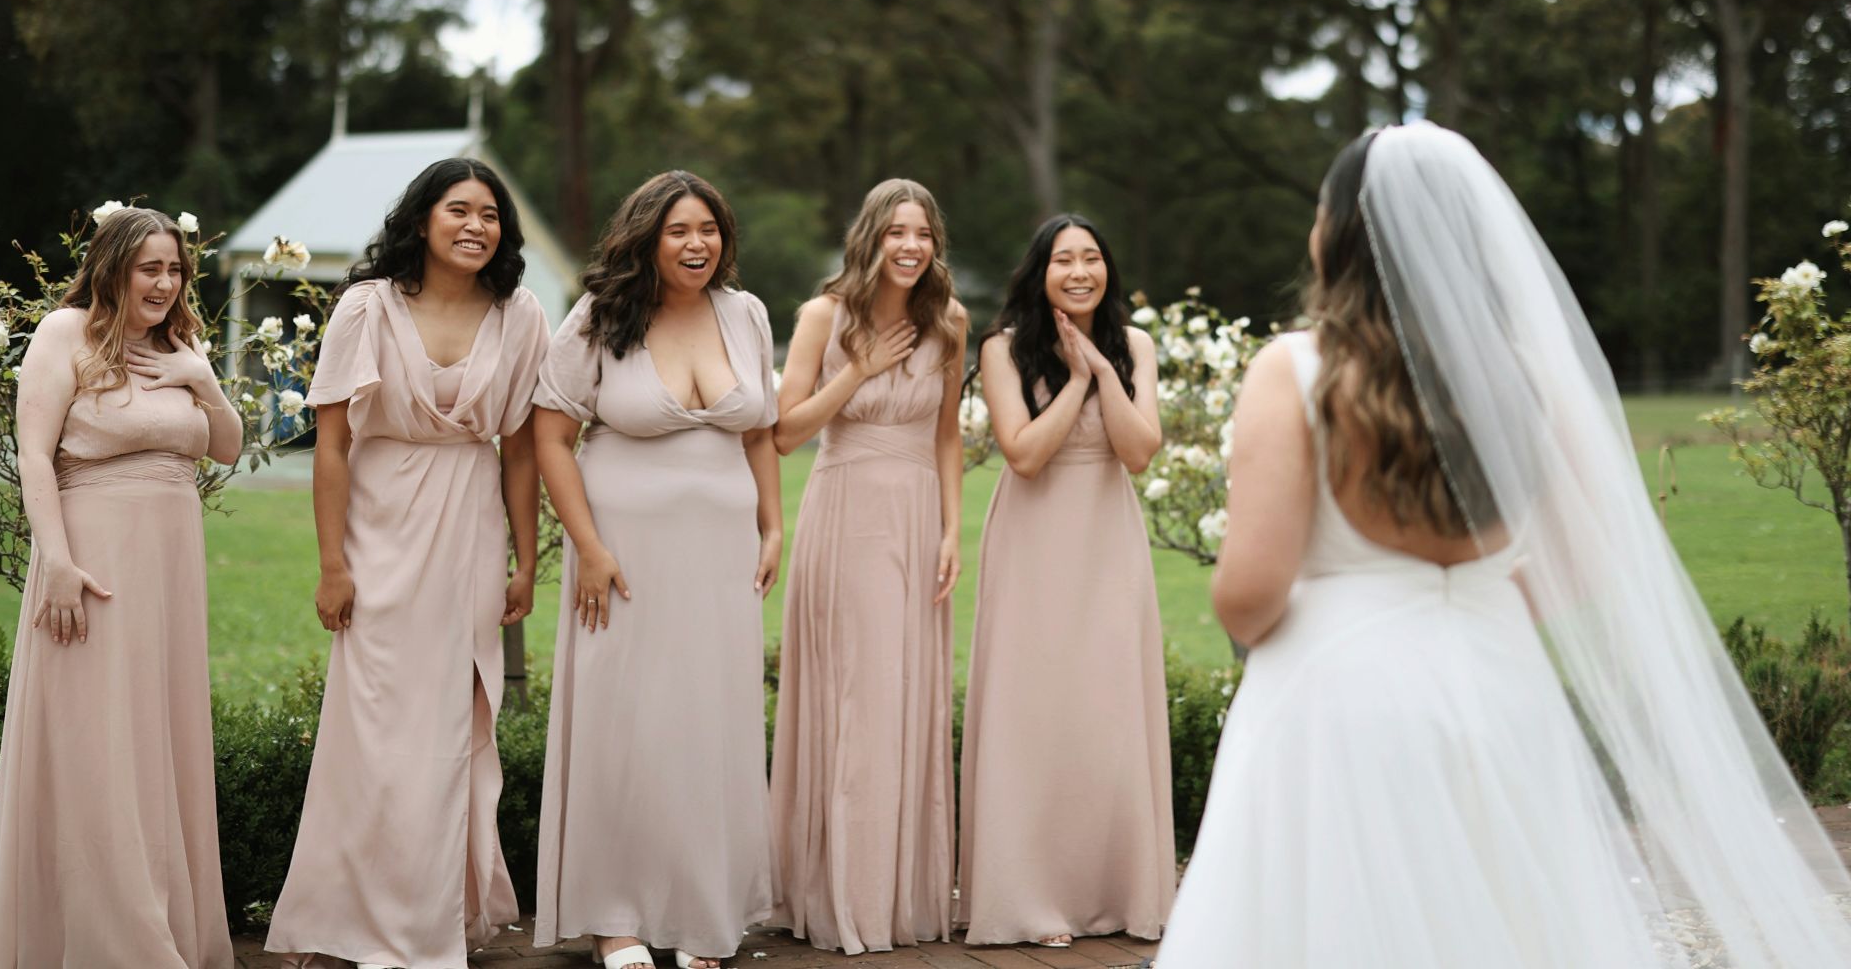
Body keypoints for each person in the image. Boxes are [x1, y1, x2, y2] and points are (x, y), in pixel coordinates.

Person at [1162, 122, 1851, 967]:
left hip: (1342, 704)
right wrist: (1470, 607)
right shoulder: (1526, 373)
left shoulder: (1296, 370)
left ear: (1342, 235)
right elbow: (1586, 555)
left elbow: (1248, 594)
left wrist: (1362, 610)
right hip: (1500, 687)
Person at [265, 158, 547, 968]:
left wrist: (526, 561)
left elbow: (522, 451)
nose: (475, 226)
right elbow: (332, 444)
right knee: (373, 730)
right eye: (458, 209)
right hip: (379, 534)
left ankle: (430, 926)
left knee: (449, 729)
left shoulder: (521, 312)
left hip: (468, 530)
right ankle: (344, 921)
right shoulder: (365, 306)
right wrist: (332, 564)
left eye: (490, 214)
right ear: (422, 219)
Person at [0, 207, 240, 967]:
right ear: (113, 266)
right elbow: (32, 454)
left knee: (160, 737)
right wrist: (54, 558)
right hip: (94, 558)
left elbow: (225, 447)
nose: (164, 282)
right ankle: (108, 940)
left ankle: (166, 920)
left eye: (175, 269)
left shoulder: (180, 345)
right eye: (149, 267)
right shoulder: (66, 335)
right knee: (98, 739)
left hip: (171, 569)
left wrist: (202, 378)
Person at [531, 170, 780, 969]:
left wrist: (774, 524)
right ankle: (618, 918)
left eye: (708, 228)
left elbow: (759, 433)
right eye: (678, 230)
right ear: (646, 238)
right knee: (626, 725)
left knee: (709, 724)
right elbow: (548, 438)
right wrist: (590, 548)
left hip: (722, 559)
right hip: (624, 560)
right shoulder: (600, 318)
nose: (696, 243)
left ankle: (700, 914)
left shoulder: (745, 314)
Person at [957, 213, 1175, 947]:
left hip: (1107, 542)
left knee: (1107, 710)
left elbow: (1139, 451)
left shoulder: (1136, 345)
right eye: (1063, 261)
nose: (1079, 272)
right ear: (1039, 272)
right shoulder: (1003, 348)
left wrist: (1107, 369)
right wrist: (1075, 379)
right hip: (1033, 541)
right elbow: (1023, 453)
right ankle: (1032, 897)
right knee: (1035, 711)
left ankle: (1114, 893)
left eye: (1091, 259)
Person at [768, 178, 966, 954]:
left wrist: (953, 529)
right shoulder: (824, 316)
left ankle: (896, 896)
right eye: (897, 233)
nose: (911, 247)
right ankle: (837, 893)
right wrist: (858, 370)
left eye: (923, 234)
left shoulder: (949, 320)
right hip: (845, 512)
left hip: (916, 518)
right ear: (871, 238)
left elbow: (948, 433)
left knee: (905, 693)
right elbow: (784, 431)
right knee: (858, 694)